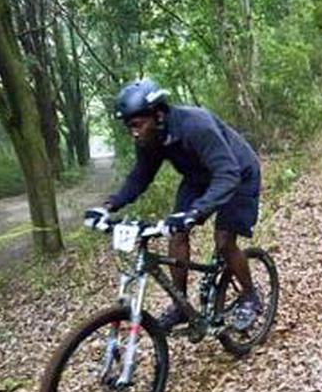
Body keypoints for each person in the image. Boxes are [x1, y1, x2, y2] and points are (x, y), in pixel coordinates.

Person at [85, 79, 262, 332]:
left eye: (137, 124)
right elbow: (140, 176)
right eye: (129, 127)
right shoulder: (151, 138)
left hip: (238, 172)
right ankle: (180, 305)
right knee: (176, 233)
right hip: (198, 177)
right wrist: (109, 206)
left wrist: (195, 211)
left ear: (158, 115)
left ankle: (250, 296)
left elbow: (227, 174)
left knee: (224, 241)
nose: (134, 132)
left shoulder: (195, 125)